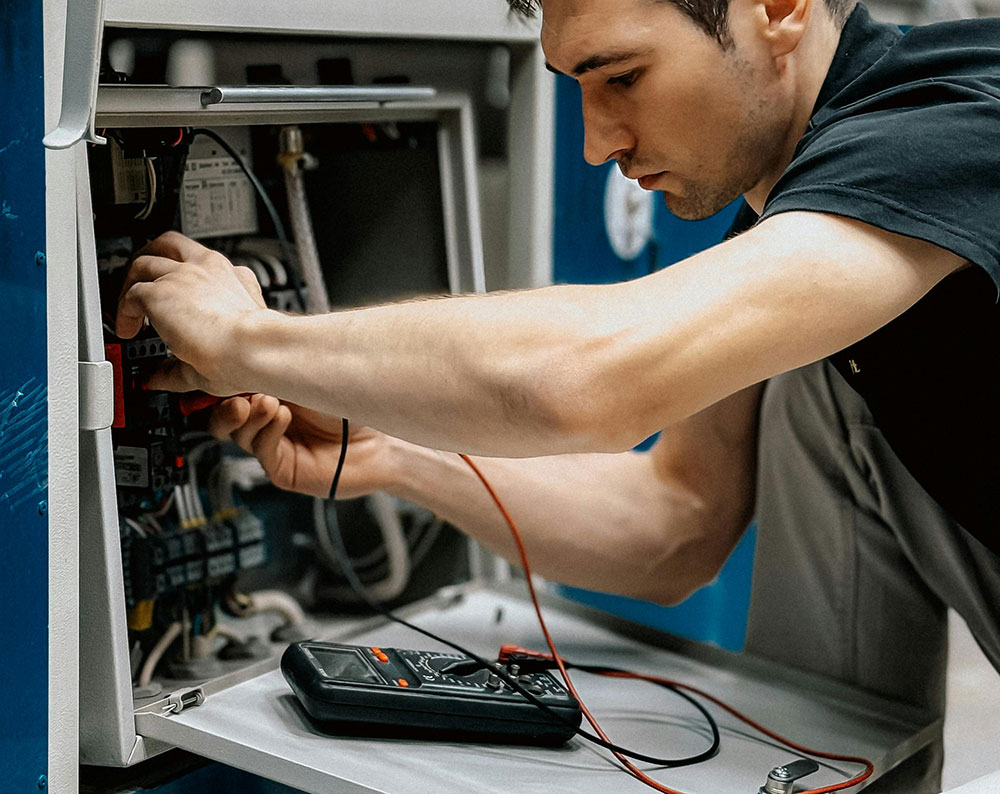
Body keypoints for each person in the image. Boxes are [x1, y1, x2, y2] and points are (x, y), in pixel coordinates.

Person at [116, 0, 1000, 790]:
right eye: (577, 83)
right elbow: (674, 522)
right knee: (821, 388)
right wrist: (386, 451)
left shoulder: (955, 125)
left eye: (623, 76)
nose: (596, 141)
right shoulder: (801, 211)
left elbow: (581, 382)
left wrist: (248, 341)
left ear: (777, 7)